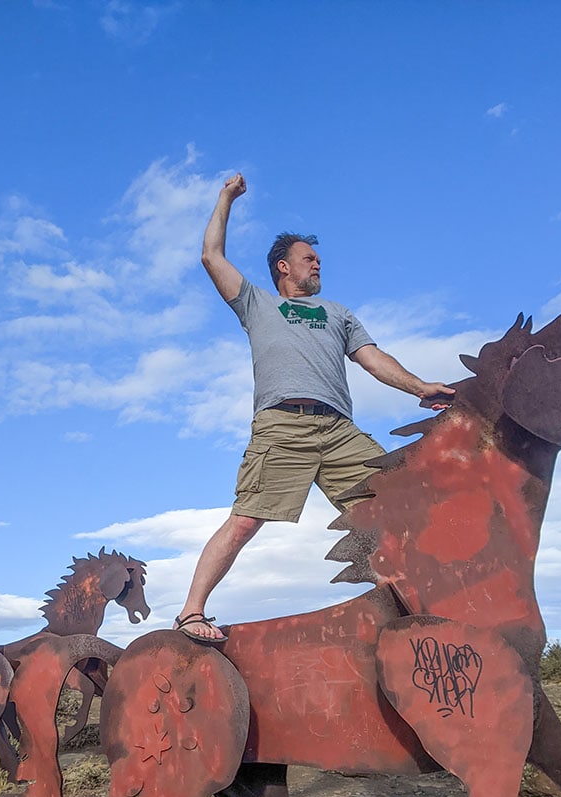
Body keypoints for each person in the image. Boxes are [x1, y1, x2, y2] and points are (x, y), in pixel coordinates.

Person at [174, 173, 455, 642]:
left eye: (319, 259)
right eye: (309, 259)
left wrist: (419, 386)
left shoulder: (339, 314)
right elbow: (211, 256)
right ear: (284, 268)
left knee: (389, 514)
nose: (318, 264)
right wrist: (225, 197)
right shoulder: (256, 304)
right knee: (246, 519)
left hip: (340, 432)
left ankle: (410, 615)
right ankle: (190, 612)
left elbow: (373, 359)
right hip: (282, 425)